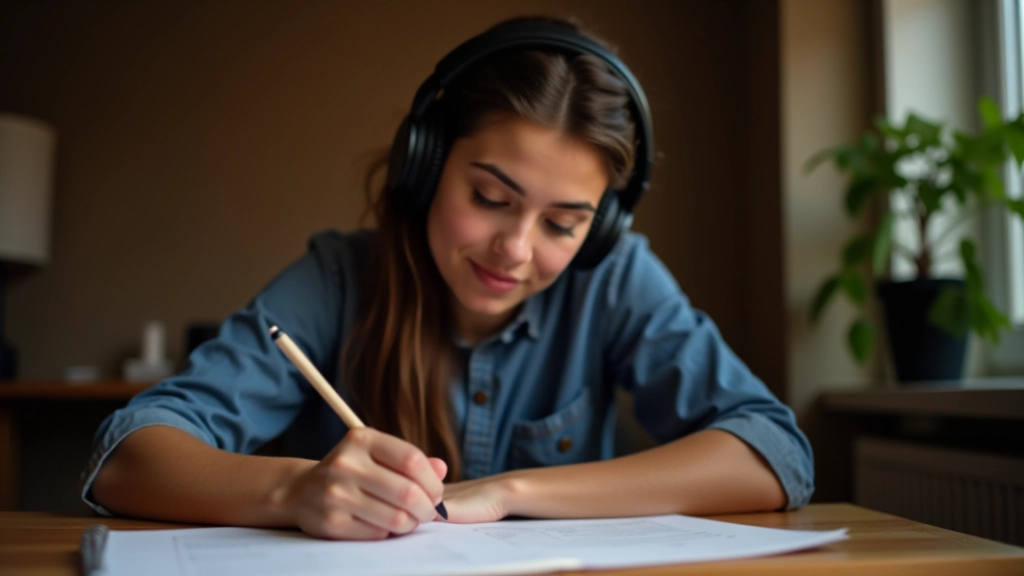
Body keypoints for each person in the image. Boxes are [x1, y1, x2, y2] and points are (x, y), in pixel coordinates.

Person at [83, 17, 814, 541]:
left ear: (601, 227)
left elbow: (773, 453)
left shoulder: (615, 278)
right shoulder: (340, 278)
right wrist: (294, 489)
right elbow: (128, 456)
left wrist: (507, 493)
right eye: (491, 199)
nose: (517, 249)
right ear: (425, 167)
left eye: (563, 223)